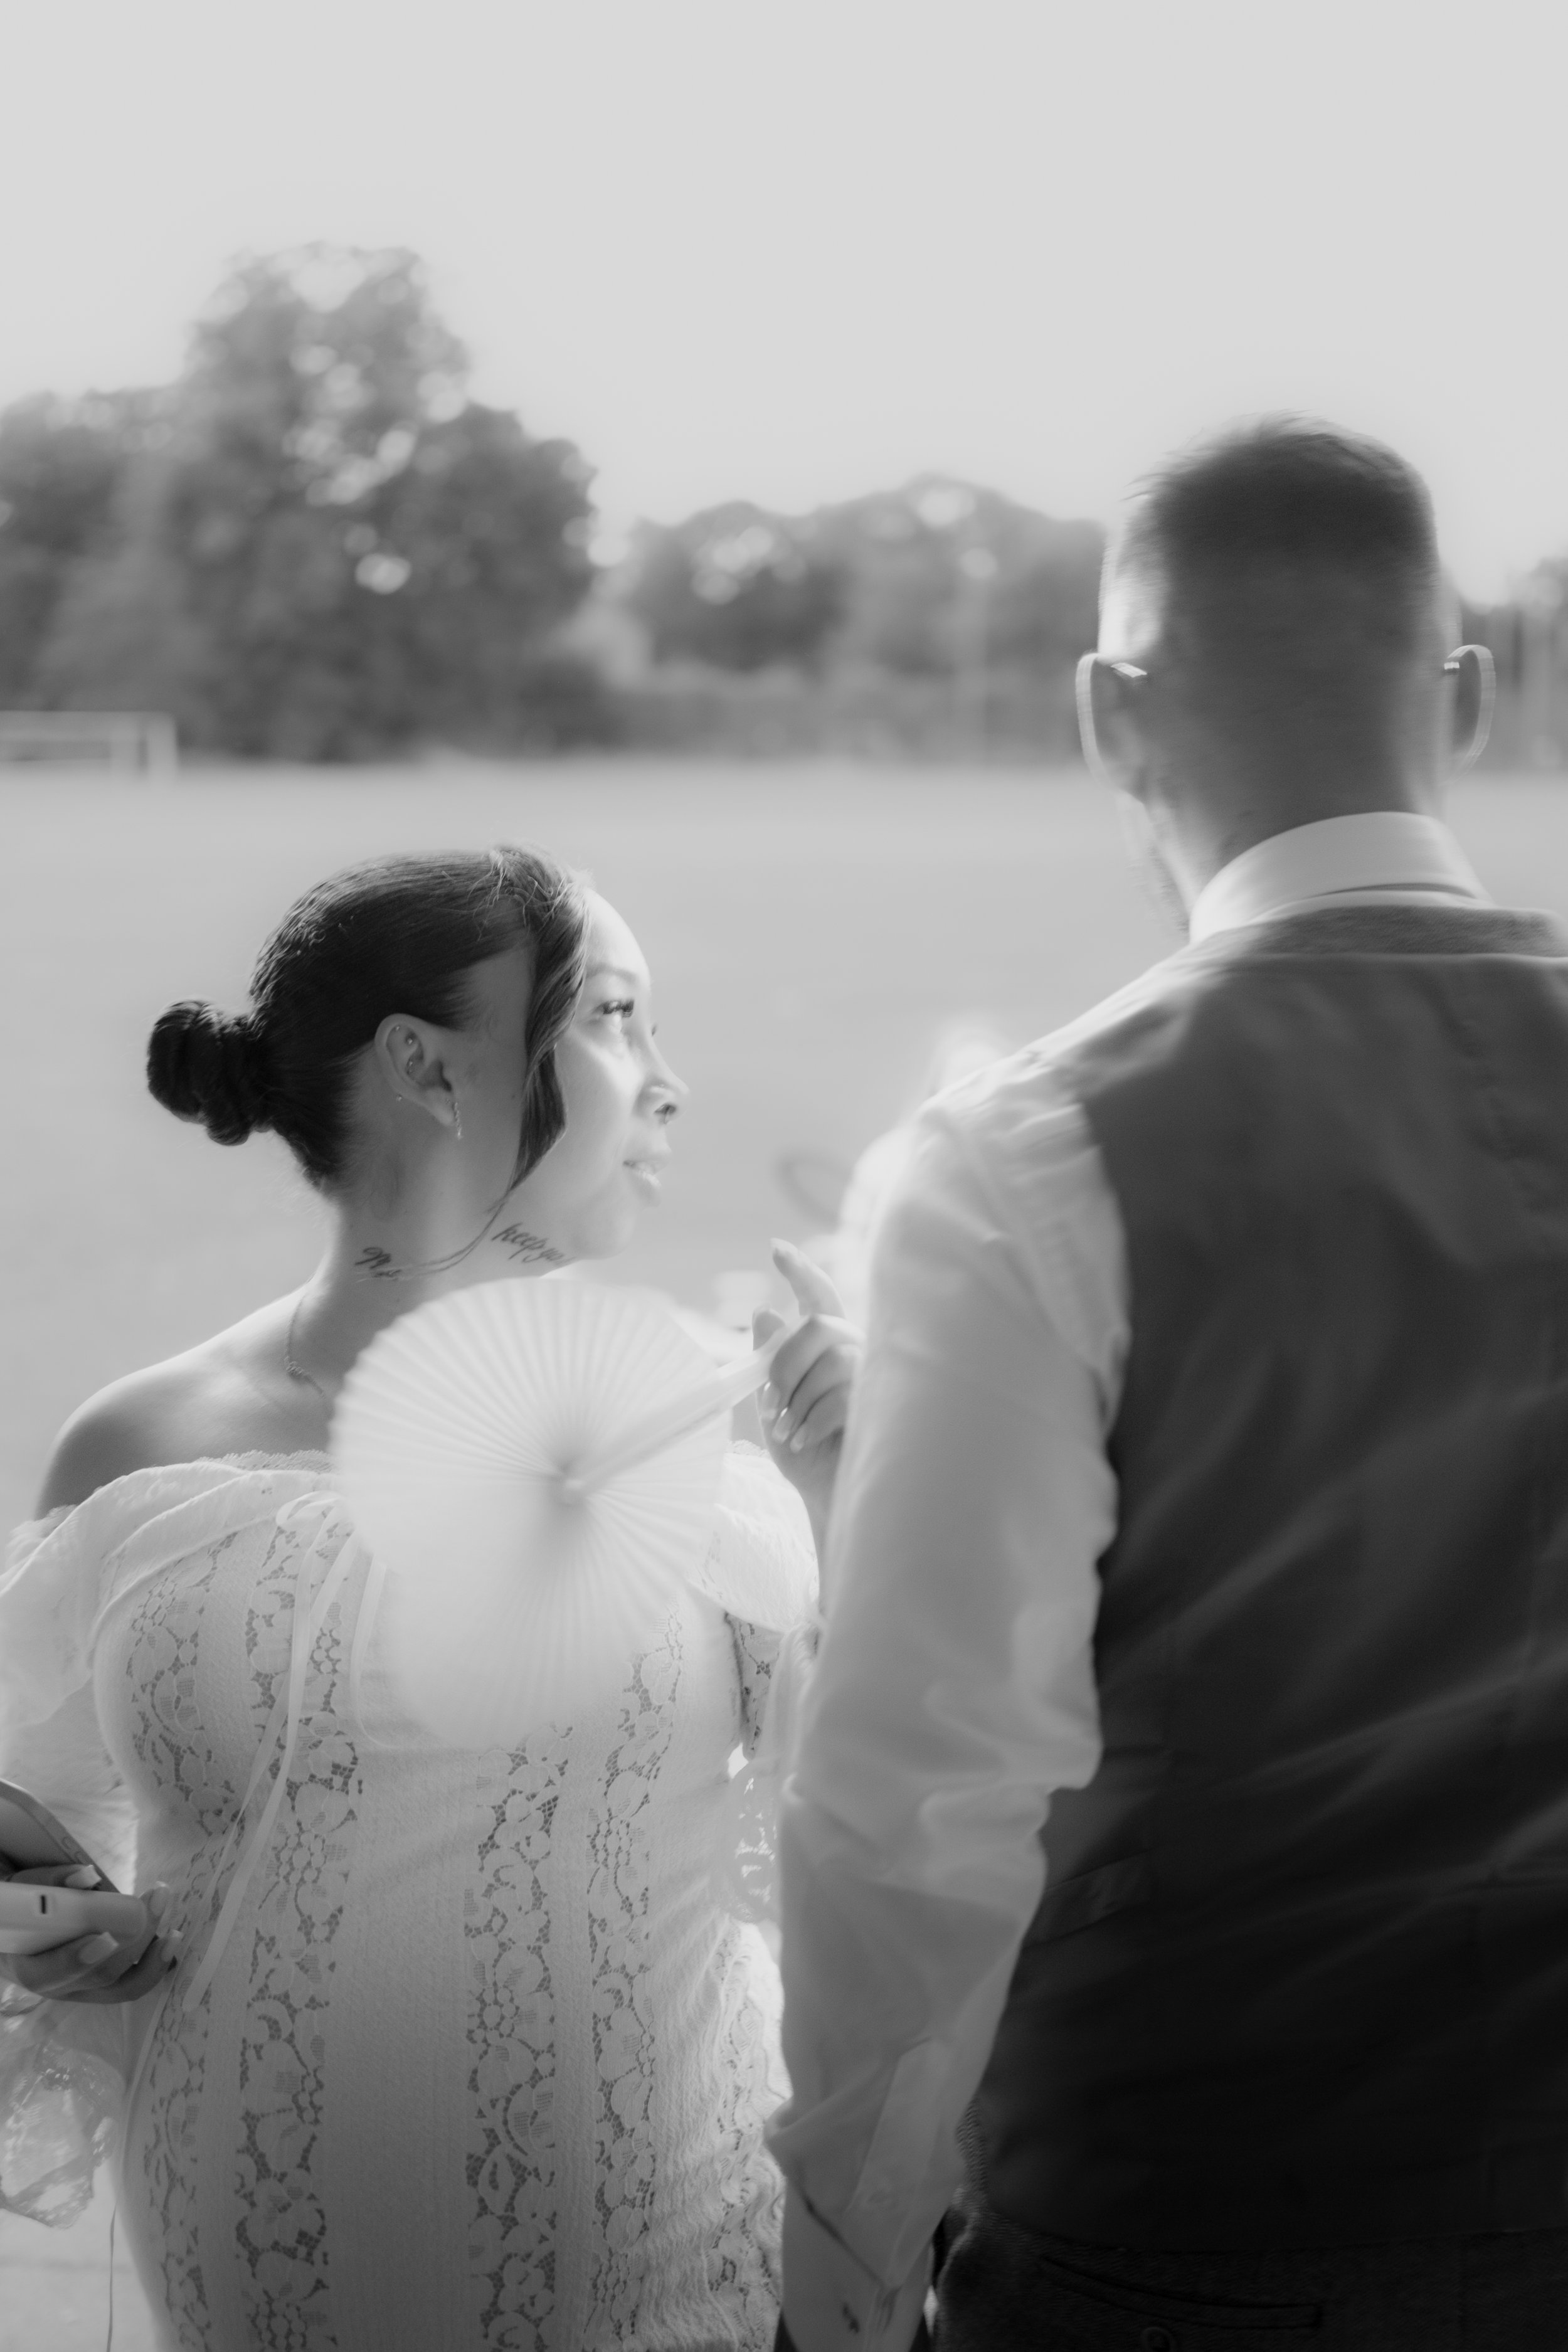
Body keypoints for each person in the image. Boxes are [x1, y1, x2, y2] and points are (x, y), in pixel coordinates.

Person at [768, 418, 1568, 2351]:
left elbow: (918, 1798)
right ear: (1464, 695)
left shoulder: (1024, 1152)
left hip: (1185, 2216)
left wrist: (841, 2288)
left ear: (1106, 716)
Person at [0, 844, 854, 2351]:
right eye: (614, 1017)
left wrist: (859, 1492)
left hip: (674, 2263)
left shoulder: (692, 1430)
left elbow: (884, 1800)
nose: (668, 1083)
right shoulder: (139, 1446)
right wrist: (54, 1916)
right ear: (428, 1066)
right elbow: (34, 1814)